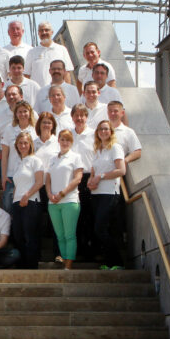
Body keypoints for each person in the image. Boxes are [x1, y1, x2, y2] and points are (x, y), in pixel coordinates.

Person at [88, 120, 126, 270]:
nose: (103, 132)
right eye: (100, 129)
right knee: (100, 229)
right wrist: (91, 180)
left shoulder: (115, 147)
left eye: (106, 129)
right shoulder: (98, 150)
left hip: (109, 193)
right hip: (96, 193)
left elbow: (121, 170)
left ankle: (118, 262)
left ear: (111, 132)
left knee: (100, 229)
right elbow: (93, 171)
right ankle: (109, 262)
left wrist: (101, 176)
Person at [45, 130, 84, 270]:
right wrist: (49, 194)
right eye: (62, 139)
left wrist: (62, 193)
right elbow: (48, 179)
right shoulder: (52, 159)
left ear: (72, 142)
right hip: (53, 203)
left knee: (69, 235)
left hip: (70, 201)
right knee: (60, 236)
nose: (65, 142)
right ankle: (64, 261)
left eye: (68, 140)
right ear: (58, 141)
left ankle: (68, 265)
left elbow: (78, 178)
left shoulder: (76, 157)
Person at [8, 132, 44, 269]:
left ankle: (32, 267)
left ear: (30, 145)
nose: (23, 146)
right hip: (17, 203)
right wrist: (14, 202)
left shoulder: (36, 160)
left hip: (31, 202)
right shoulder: (18, 163)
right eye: (20, 143)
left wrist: (26, 196)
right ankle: (22, 266)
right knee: (18, 236)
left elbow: (40, 182)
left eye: (25, 143)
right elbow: (17, 185)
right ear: (16, 145)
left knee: (30, 236)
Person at [0, 101, 37, 214]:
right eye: (19, 112)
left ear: (30, 113)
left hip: (29, 174)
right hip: (12, 174)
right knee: (8, 204)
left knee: (28, 205)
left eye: (25, 111)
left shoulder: (36, 130)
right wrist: (4, 176)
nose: (22, 114)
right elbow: (4, 155)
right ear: (15, 114)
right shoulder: (9, 129)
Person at [71, 103, 96, 261]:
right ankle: (78, 250)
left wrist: (93, 176)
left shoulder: (94, 134)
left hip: (89, 177)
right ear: (72, 117)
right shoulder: (68, 134)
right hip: (72, 179)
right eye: (76, 115)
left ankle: (89, 251)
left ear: (87, 117)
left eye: (82, 115)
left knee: (89, 215)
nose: (79, 118)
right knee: (76, 215)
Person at [24, 21, 73, 87]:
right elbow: (27, 75)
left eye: (46, 30)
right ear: (38, 33)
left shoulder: (62, 50)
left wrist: (67, 90)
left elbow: (67, 73)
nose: (44, 32)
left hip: (58, 91)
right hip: (38, 92)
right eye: (41, 30)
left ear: (52, 32)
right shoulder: (31, 52)